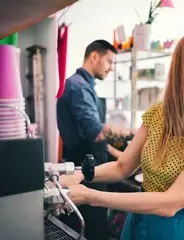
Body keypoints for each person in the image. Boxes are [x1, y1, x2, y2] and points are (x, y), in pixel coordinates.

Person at [60, 31, 184, 240]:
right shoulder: (158, 114)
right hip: (137, 226)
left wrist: (90, 196)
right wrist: (82, 174)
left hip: (181, 233)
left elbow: (170, 203)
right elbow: (122, 167)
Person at [56, 39, 129, 240]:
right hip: (84, 166)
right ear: (94, 56)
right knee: (92, 228)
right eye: (109, 61)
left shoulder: (84, 85)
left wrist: (118, 154)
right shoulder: (78, 87)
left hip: (89, 161)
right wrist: (133, 133)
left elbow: (97, 139)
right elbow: (96, 132)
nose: (111, 68)